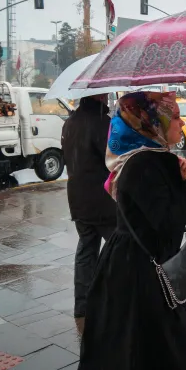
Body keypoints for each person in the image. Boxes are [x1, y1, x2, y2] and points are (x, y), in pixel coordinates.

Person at [76, 91, 186, 370]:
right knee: (147, 352)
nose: (181, 123)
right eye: (174, 117)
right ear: (152, 122)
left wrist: (183, 181)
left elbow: (158, 210)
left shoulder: (152, 157)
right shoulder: (143, 163)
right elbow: (168, 221)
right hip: (139, 277)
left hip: (135, 266)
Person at [61, 95, 117, 321]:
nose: (107, 96)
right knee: (118, 251)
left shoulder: (70, 122)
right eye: (104, 94)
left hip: (78, 199)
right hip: (103, 202)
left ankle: (83, 305)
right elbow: (113, 159)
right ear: (98, 96)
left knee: (86, 251)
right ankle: (116, 302)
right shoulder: (102, 123)